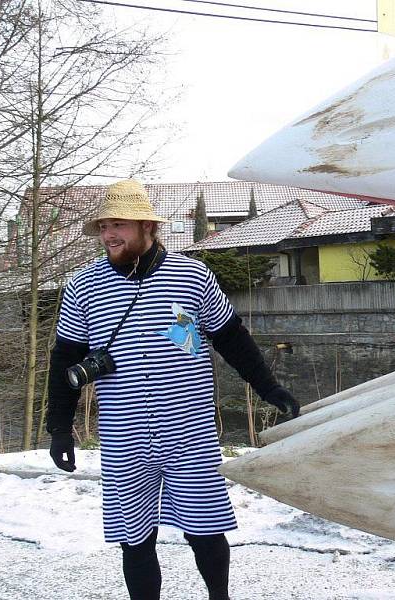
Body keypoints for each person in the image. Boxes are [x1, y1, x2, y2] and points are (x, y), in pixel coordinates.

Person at [46, 179, 299, 600]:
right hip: (124, 434)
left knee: (205, 531)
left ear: (147, 225)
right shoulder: (83, 285)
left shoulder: (192, 275)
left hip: (190, 430)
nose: (109, 234)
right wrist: (59, 428)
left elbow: (231, 336)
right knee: (134, 539)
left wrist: (268, 387)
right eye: (104, 225)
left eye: (119, 224)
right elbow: (65, 359)